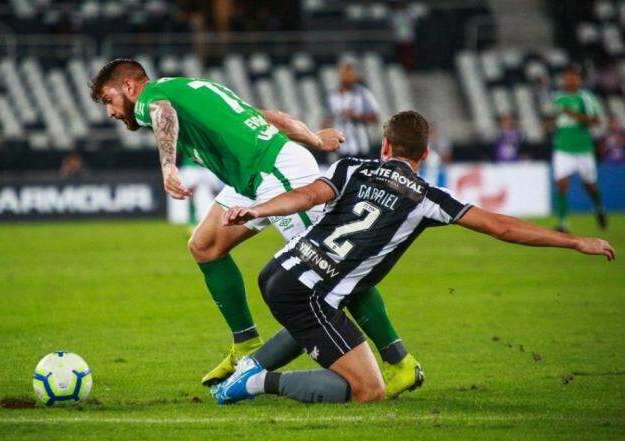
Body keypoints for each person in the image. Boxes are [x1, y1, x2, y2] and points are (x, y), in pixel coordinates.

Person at [212, 110, 615, 405]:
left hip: (279, 271)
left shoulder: (352, 168)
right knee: (368, 390)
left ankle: (251, 367)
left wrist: (260, 209)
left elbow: (305, 196)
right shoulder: (426, 199)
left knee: (320, 327)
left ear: (385, 146)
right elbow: (501, 227)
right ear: (425, 154)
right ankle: (256, 382)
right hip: (308, 293)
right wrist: (574, 242)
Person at [89, 59, 421, 398]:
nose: (111, 111)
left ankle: (400, 362)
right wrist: (314, 141)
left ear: (129, 87)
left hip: (278, 175)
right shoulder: (190, 88)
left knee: (329, 266)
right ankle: (246, 343)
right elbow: (268, 116)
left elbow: (163, 113)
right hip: (254, 176)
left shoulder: (152, 99)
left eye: (109, 100)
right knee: (204, 246)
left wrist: (168, 167)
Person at [549, 65, 607, 232]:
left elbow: (595, 122)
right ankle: (563, 224)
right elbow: (554, 120)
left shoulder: (585, 98)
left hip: (583, 149)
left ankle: (599, 208)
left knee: (590, 186)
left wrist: (572, 114)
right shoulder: (558, 98)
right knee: (561, 184)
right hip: (562, 147)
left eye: (573, 77)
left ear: (579, 79)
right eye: (567, 76)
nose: (569, 80)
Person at [323, 61, 380, 158]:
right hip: (341, 150)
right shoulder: (332, 96)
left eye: (350, 73)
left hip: (362, 148)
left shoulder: (364, 94)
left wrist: (356, 116)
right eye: (344, 73)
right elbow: (328, 119)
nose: (347, 77)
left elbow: (375, 118)